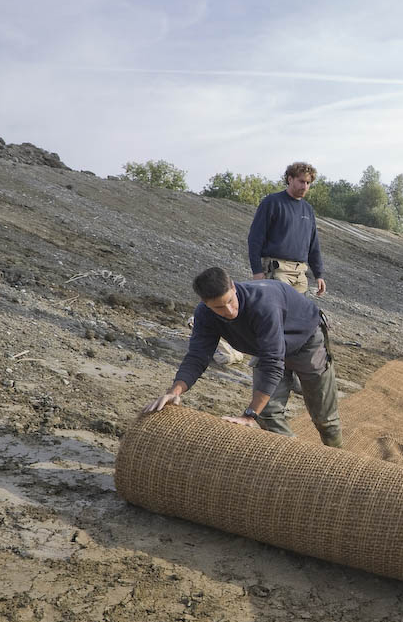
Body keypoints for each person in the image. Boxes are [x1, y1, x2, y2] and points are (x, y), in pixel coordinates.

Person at [144, 266, 342, 446]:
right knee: (267, 412)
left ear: (233, 287)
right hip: (265, 347)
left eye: (230, 301)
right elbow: (197, 356)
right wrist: (175, 391)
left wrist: (249, 415)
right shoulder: (204, 314)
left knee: (325, 419)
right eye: (219, 308)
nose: (229, 311)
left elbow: (273, 363)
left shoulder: (263, 303)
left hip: (305, 343)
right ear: (205, 303)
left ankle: (338, 463)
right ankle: (297, 461)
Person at [248, 161, 326, 297]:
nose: (305, 186)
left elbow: (313, 245)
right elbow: (255, 238)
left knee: (298, 315)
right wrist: (257, 271)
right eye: (301, 181)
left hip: (300, 273)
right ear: (290, 179)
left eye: (308, 183)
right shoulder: (272, 202)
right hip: (277, 270)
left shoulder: (307, 209)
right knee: (278, 312)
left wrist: (319, 275)